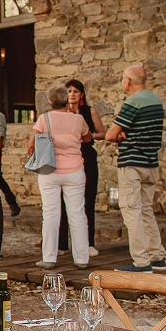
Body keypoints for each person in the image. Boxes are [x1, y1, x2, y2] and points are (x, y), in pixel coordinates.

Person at [105, 65, 166, 273]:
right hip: (150, 163)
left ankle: (141, 262)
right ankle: (157, 256)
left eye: (122, 78)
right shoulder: (155, 100)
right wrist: (121, 132)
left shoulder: (133, 102)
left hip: (132, 162)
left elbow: (110, 135)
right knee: (147, 210)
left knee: (131, 210)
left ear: (128, 80)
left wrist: (121, 133)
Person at [28, 84, 92, 269]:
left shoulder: (44, 118)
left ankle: (49, 257)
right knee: (77, 213)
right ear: (67, 100)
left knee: (50, 213)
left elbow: (31, 144)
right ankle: (81, 258)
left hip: (50, 170)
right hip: (74, 170)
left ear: (49, 101)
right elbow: (87, 138)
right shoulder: (78, 119)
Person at [58, 79, 108, 256]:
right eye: (69, 91)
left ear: (81, 94)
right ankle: (62, 244)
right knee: (63, 200)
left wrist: (88, 135)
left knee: (87, 199)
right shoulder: (61, 113)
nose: (72, 94)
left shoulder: (89, 111)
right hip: (66, 158)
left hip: (86, 156)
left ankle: (88, 243)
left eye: (75, 91)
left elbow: (103, 133)